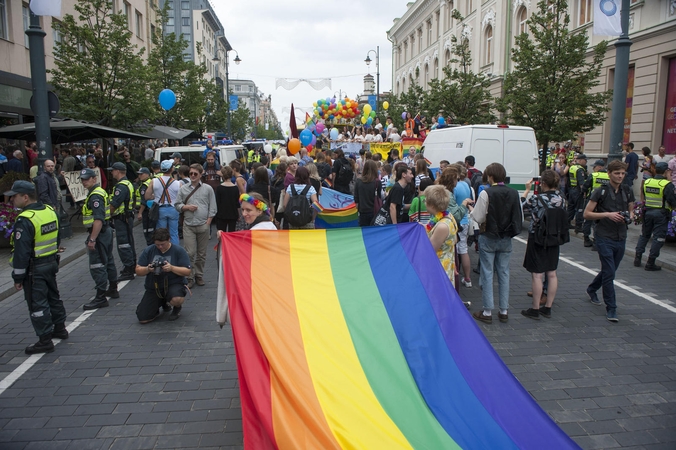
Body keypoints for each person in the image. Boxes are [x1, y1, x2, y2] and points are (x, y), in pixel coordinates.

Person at [6, 181, 68, 354]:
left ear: (25, 197)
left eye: (14, 196)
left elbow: (21, 253)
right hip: (50, 263)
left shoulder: (25, 220)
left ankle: (44, 339)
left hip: (35, 269)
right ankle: (60, 328)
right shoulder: (49, 211)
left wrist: (18, 277)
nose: (11, 200)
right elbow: (57, 237)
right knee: (53, 297)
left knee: (37, 303)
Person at [466, 163, 523, 324]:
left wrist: (471, 209)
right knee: (504, 273)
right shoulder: (513, 193)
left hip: (489, 236)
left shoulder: (486, 193)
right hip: (506, 238)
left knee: (487, 272)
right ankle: (503, 310)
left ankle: (487, 311)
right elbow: (518, 216)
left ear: (490, 176)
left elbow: (478, 217)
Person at [583, 159, 635, 323]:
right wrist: (608, 215)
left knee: (609, 270)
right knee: (610, 272)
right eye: (617, 173)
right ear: (609, 174)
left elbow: (631, 208)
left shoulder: (627, 190)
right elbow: (587, 214)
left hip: (621, 236)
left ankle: (592, 288)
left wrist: (630, 217)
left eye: (622, 173)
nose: (620, 176)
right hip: (604, 236)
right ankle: (611, 308)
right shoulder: (600, 191)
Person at [520, 170, 566, 320]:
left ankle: (534, 309)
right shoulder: (562, 199)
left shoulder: (537, 199)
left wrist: (527, 190)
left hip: (538, 238)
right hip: (554, 237)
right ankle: (548, 307)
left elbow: (522, 207)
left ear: (544, 184)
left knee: (537, 274)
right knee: (552, 273)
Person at [80, 168, 119, 310]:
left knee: (97, 264)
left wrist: (92, 239)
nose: (84, 182)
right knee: (108, 260)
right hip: (106, 231)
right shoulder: (99, 192)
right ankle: (113, 288)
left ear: (94, 179)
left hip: (100, 233)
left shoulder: (95, 196)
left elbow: (98, 219)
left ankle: (100, 297)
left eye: (87, 179)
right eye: (82, 179)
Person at [135, 228, 191, 323]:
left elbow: (187, 271)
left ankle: (176, 307)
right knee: (143, 318)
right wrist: (147, 269)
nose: (160, 247)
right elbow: (138, 270)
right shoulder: (149, 250)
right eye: (157, 245)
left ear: (169, 239)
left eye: (162, 244)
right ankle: (160, 303)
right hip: (154, 287)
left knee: (176, 299)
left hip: (173, 284)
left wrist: (172, 268)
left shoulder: (179, 251)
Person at [175, 164, 217, 288]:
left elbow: (213, 207)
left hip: (203, 224)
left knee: (202, 253)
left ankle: (199, 275)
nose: (193, 176)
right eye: (191, 173)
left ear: (200, 174)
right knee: (190, 252)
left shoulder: (208, 189)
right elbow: (177, 205)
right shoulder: (183, 189)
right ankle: (189, 276)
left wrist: (208, 222)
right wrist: (186, 207)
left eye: (195, 174)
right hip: (188, 225)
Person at [424, 185, 464, 304]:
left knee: (438, 301)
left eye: (425, 199)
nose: (424, 201)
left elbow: (430, 250)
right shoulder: (447, 216)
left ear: (432, 205)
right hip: (445, 263)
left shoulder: (442, 226)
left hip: (439, 268)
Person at [634, 162, 676, 271]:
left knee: (644, 235)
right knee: (659, 238)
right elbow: (672, 201)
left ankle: (637, 258)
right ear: (666, 171)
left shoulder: (648, 181)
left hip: (647, 212)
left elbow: (644, 195)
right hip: (661, 214)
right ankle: (650, 262)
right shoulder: (667, 184)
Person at [109, 162, 137, 281]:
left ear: (118, 171)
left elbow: (114, 205)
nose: (111, 172)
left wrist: (106, 216)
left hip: (122, 218)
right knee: (129, 242)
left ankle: (128, 268)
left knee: (123, 244)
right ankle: (131, 265)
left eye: (113, 170)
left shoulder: (121, 186)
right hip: (127, 217)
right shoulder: (128, 183)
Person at [145, 160, 180, 245]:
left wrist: (155, 196)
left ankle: (162, 250)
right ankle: (174, 252)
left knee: (161, 233)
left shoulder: (154, 181)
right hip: (173, 209)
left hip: (160, 209)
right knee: (174, 233)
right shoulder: (178, 183)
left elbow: (147, 196)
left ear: (161, 169)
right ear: (171, 169)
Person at [581, 160, 609, 248]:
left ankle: (586, 239)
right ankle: (596, 242)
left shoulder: (593, 175)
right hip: (604, 202)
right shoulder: (610, 176)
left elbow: (585, 187)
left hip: (592, 200)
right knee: (598, 222)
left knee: (588, 220)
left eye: (595, 167)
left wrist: (584, 193)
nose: (593, 168)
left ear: (600, 167)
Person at [354, 160, 382, 227]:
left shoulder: (358, 181)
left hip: (362, 211)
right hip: (374, 210)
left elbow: (356, 199)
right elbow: (379, 197)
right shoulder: (377, 182)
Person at [215, 166, 241, 232]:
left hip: (221, 214)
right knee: (231, 234)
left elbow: (217, 202)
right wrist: (238, 215)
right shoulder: (235, 188)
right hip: (233, 214)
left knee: (221, 234)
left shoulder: (219, 188)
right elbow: (237, 203)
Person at [567, 154, 588, 234]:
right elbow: (581, 183)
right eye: (585, 160)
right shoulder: (580, 170)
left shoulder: (572, 167)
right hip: (578, 191)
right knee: (580, 208)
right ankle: (578, 226)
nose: (586, 162)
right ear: (581, 160)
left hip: (571, 190)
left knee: (570, 208)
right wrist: (584, 192)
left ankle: (567, 223)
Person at [136, 167, 156, 245]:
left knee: (148, 231)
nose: (139, 176)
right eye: (139, 174)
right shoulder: (151, 182)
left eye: (141, 174)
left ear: (147, 174)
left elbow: (144, 201)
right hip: (152, 209)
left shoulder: (144, 185)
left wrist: (140, 212)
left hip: (147, 211)